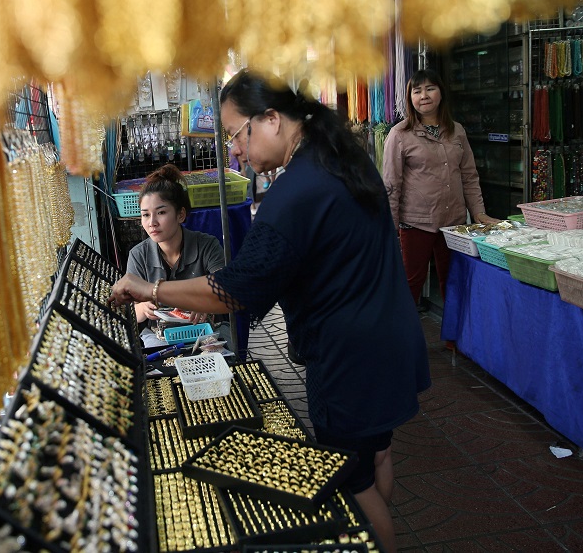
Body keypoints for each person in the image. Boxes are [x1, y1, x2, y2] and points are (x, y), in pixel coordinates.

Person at [109, 69, 430, 553]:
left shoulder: (294, 193)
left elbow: (233, 292)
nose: (233, 151)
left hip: (349, 358)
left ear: (272, 120)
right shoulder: (342, 157)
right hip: (387, 338)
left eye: (236, 135)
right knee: (376, 456)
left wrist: (150, 287)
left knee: (352, 488)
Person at [382, 69, 499, 311]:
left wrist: (478, 212)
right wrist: (390, 226)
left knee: (454, 281)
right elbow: (391, 184)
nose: (424, 95)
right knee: (410, 282)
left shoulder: (456, 130)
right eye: (417, 91)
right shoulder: (400, 134)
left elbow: (469, 176)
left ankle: (454, 341)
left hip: (454, 222)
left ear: (441, 93)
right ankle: (401, 344)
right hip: (415, 222)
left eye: (430, 88)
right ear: (410, 98)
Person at [125, 164, 224, 347]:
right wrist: (142, 309)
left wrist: (206, 304)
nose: (152, 222)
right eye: (145, 215)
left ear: (181, 215)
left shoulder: (207, 245)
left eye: (161, 212)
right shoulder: (138, 256)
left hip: (206, 332)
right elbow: (129, 313)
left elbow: (225, 287)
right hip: (158, 338)